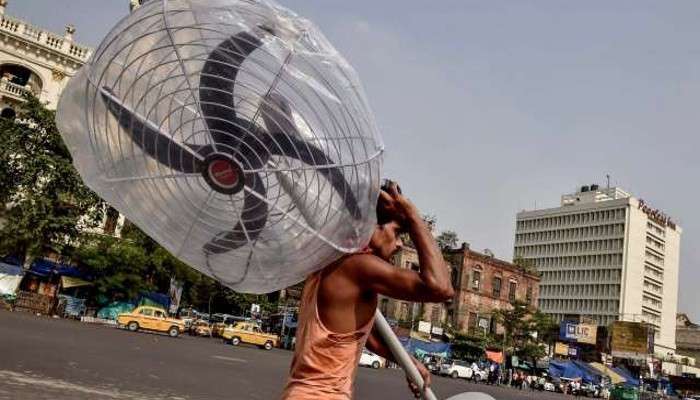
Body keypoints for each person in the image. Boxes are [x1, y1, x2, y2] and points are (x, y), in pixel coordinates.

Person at [281, 181, 455, 399]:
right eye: (398, 232)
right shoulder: (358, 266)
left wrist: (409, 362)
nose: (400, 244)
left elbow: (367, 336)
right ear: (372, 226)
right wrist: (413, 217)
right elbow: (441, 288)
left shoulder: (329, 263)